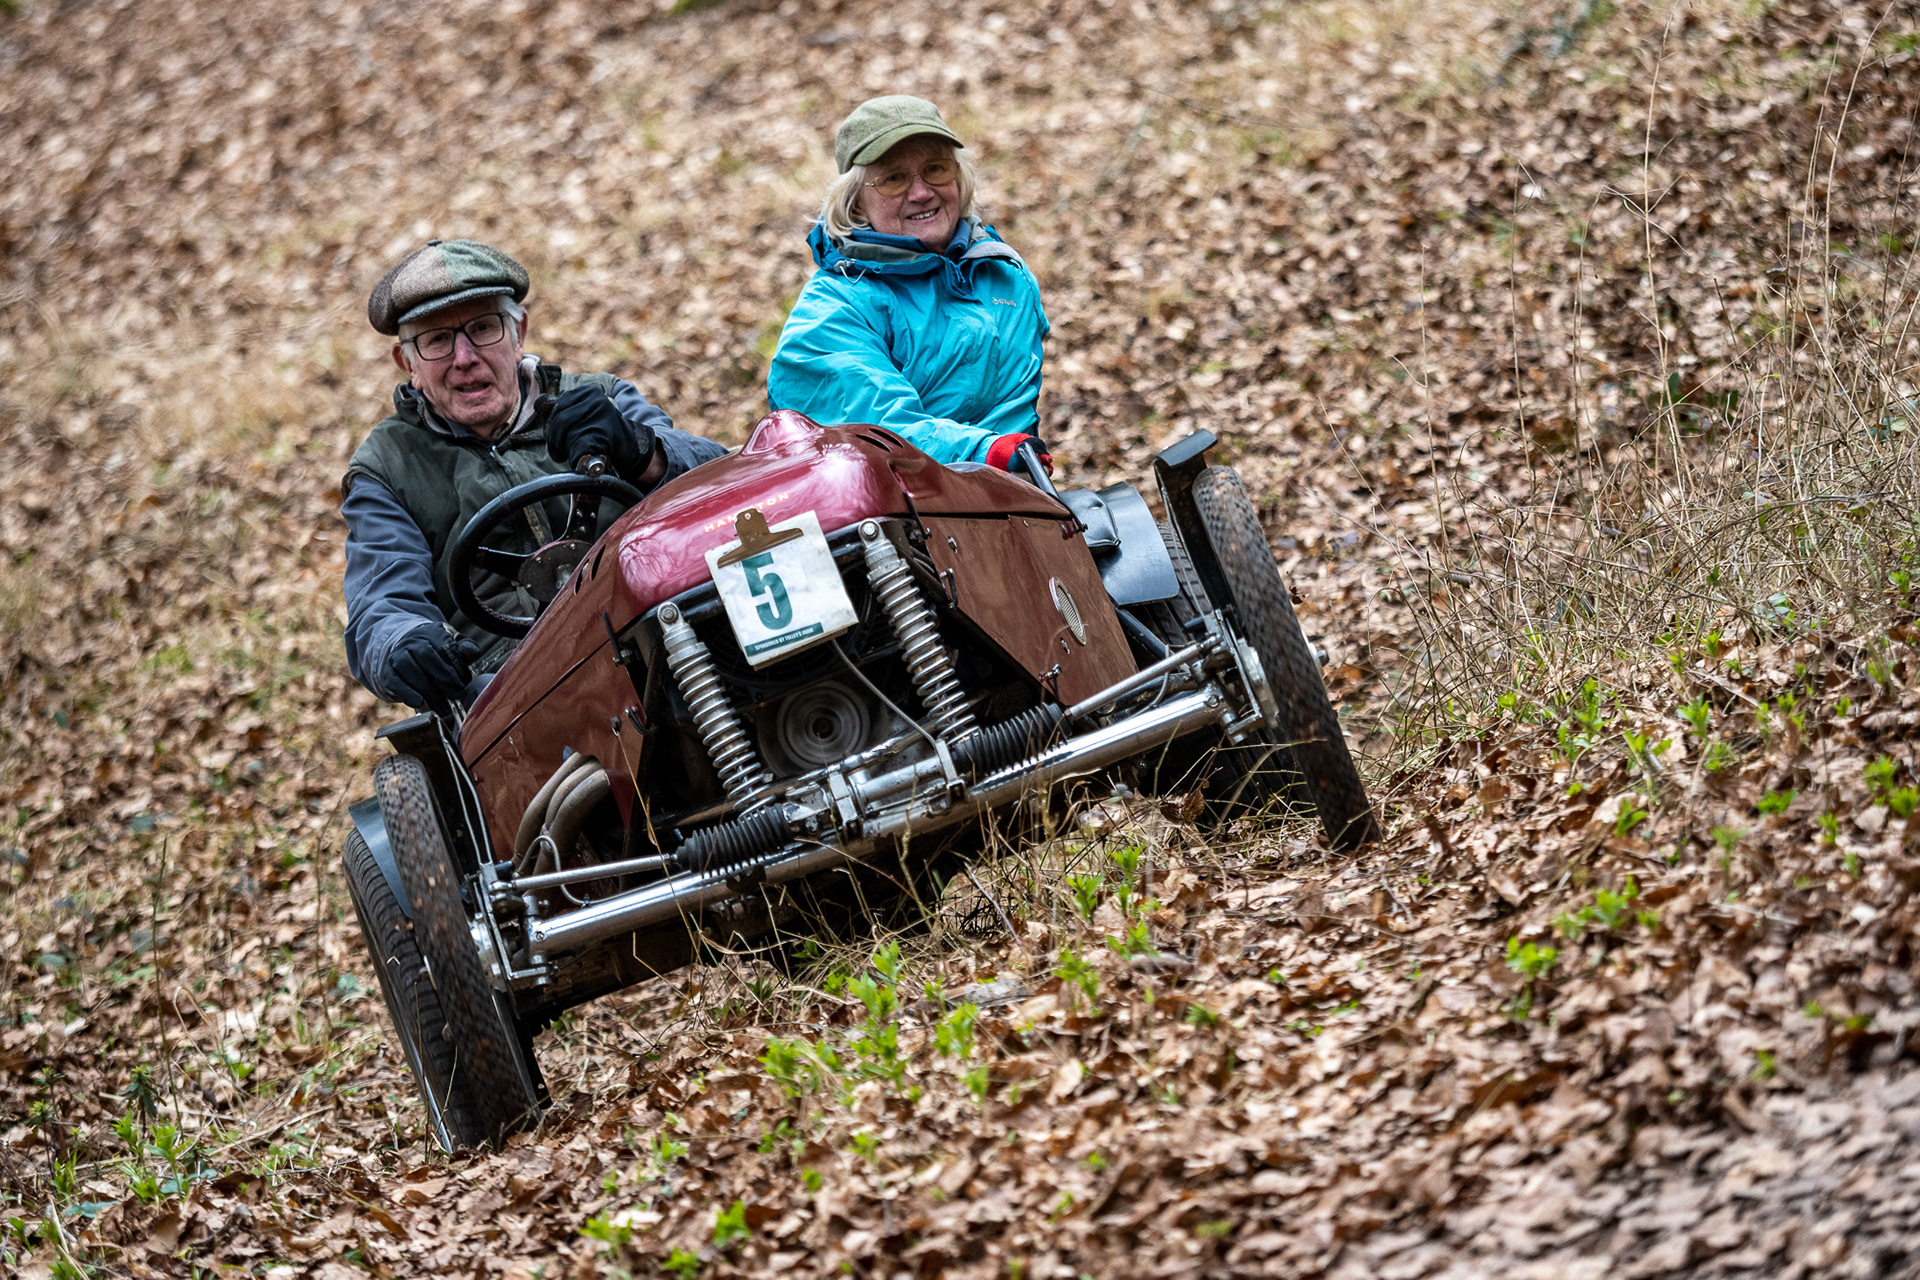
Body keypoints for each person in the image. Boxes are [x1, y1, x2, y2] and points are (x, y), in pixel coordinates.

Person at [342, 238, 727, 712]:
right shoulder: (386, 468)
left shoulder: (598, 401)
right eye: (437, 340)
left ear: (518, 332)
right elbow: (381, 603)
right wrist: (406, 641)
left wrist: (642, 450)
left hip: (662, 636)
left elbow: (723, 483)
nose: (464, 357)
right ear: (408, 364)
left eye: (483, 328)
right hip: (513, 695)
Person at [768, 96, 1053, 472]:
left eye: (936, 169)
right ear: (856, 203)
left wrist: (1013, 466)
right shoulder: (831, 309)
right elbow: (875, 435)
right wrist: (988, 452)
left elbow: (1015, 418)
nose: (921, 193)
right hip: (894, 503)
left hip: (1012, 492)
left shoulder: (1004, 276)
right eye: (894, 179)